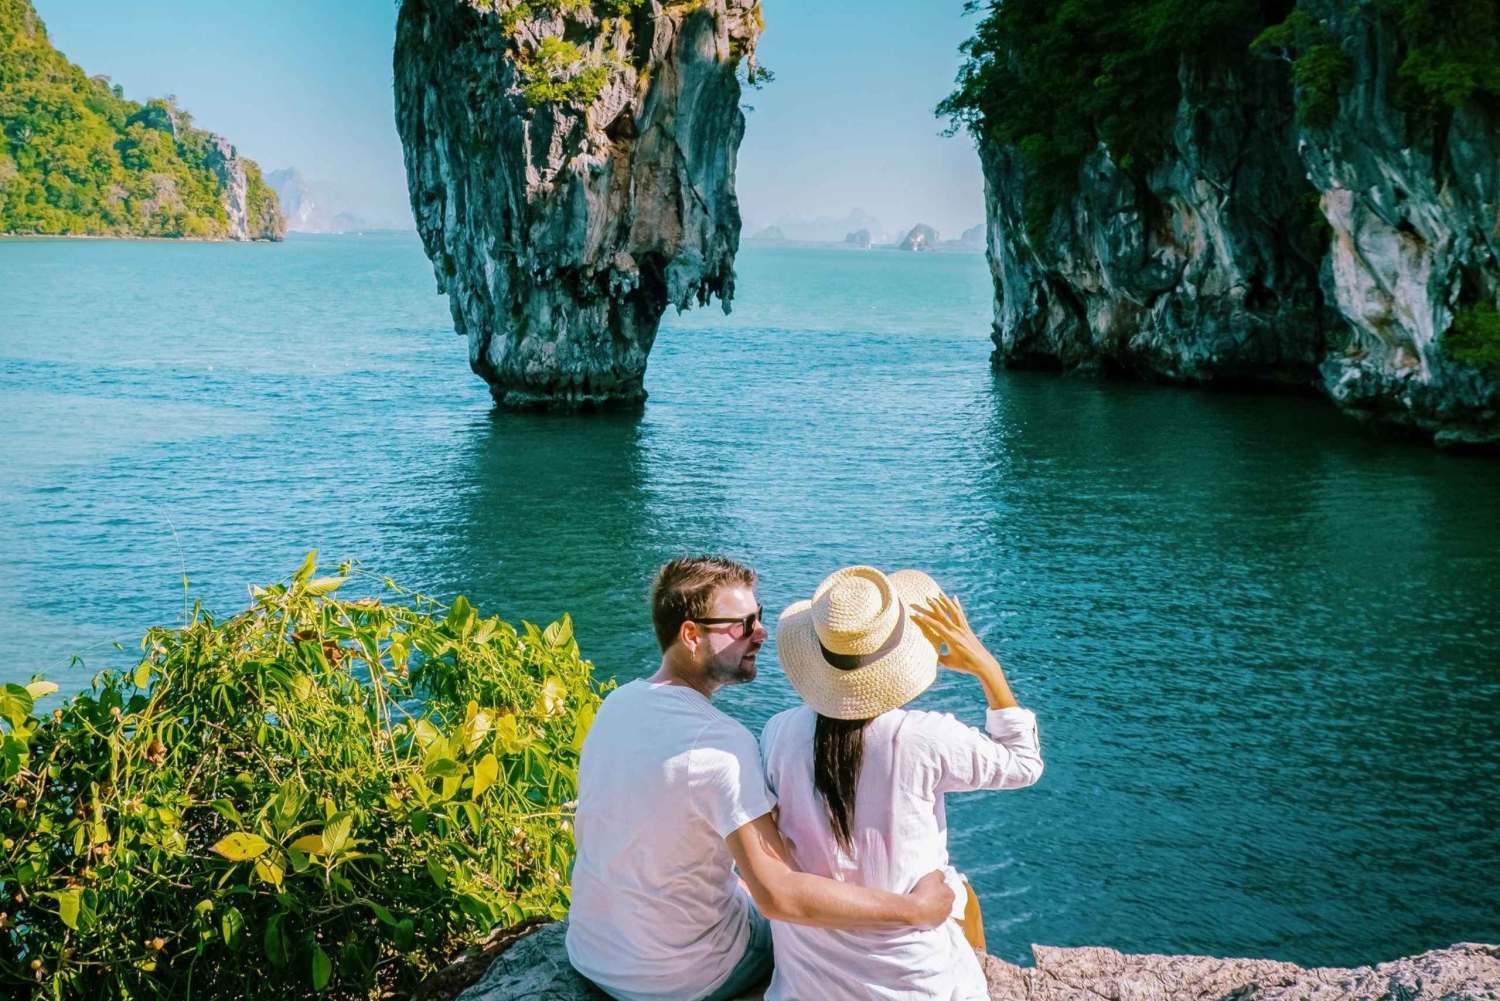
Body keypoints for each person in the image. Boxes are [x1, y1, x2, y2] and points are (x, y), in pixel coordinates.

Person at [566, 557, 958, 1001]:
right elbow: (779, 894)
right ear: (692, 635)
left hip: (592, 951)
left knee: (739, 882)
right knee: (811, 938)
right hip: (679, 979)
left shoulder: (617, 703)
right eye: (742, 624)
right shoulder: (720, 744)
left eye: (760, 617)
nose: (761, 633)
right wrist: (913, 910)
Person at [759, 565, 1044, 1001]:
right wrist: (987, 667)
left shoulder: (778, 733)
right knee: (959, 891)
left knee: (956, 889)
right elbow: (1024, 764)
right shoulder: (924, 737)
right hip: (913, 982)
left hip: (807, 981)